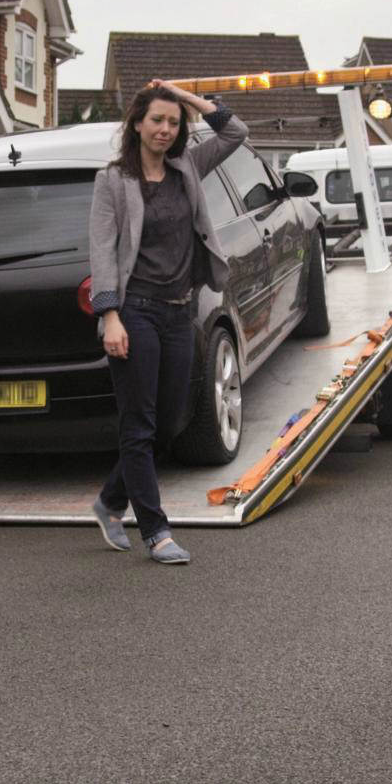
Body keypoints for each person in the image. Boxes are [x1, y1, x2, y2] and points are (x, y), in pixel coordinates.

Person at [87, 80, 248, 564]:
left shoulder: (187, 168)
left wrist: (184, 95)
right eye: (157, 119)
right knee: (139, 423)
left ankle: (111, 500)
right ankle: (155, 531)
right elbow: (102, 251)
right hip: (134, 311)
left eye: (173, 122)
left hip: (180, 310)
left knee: (172, 420)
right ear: (137, 123)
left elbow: (235, 131)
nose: (165, 129)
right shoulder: (113, 180)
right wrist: (110, 316)